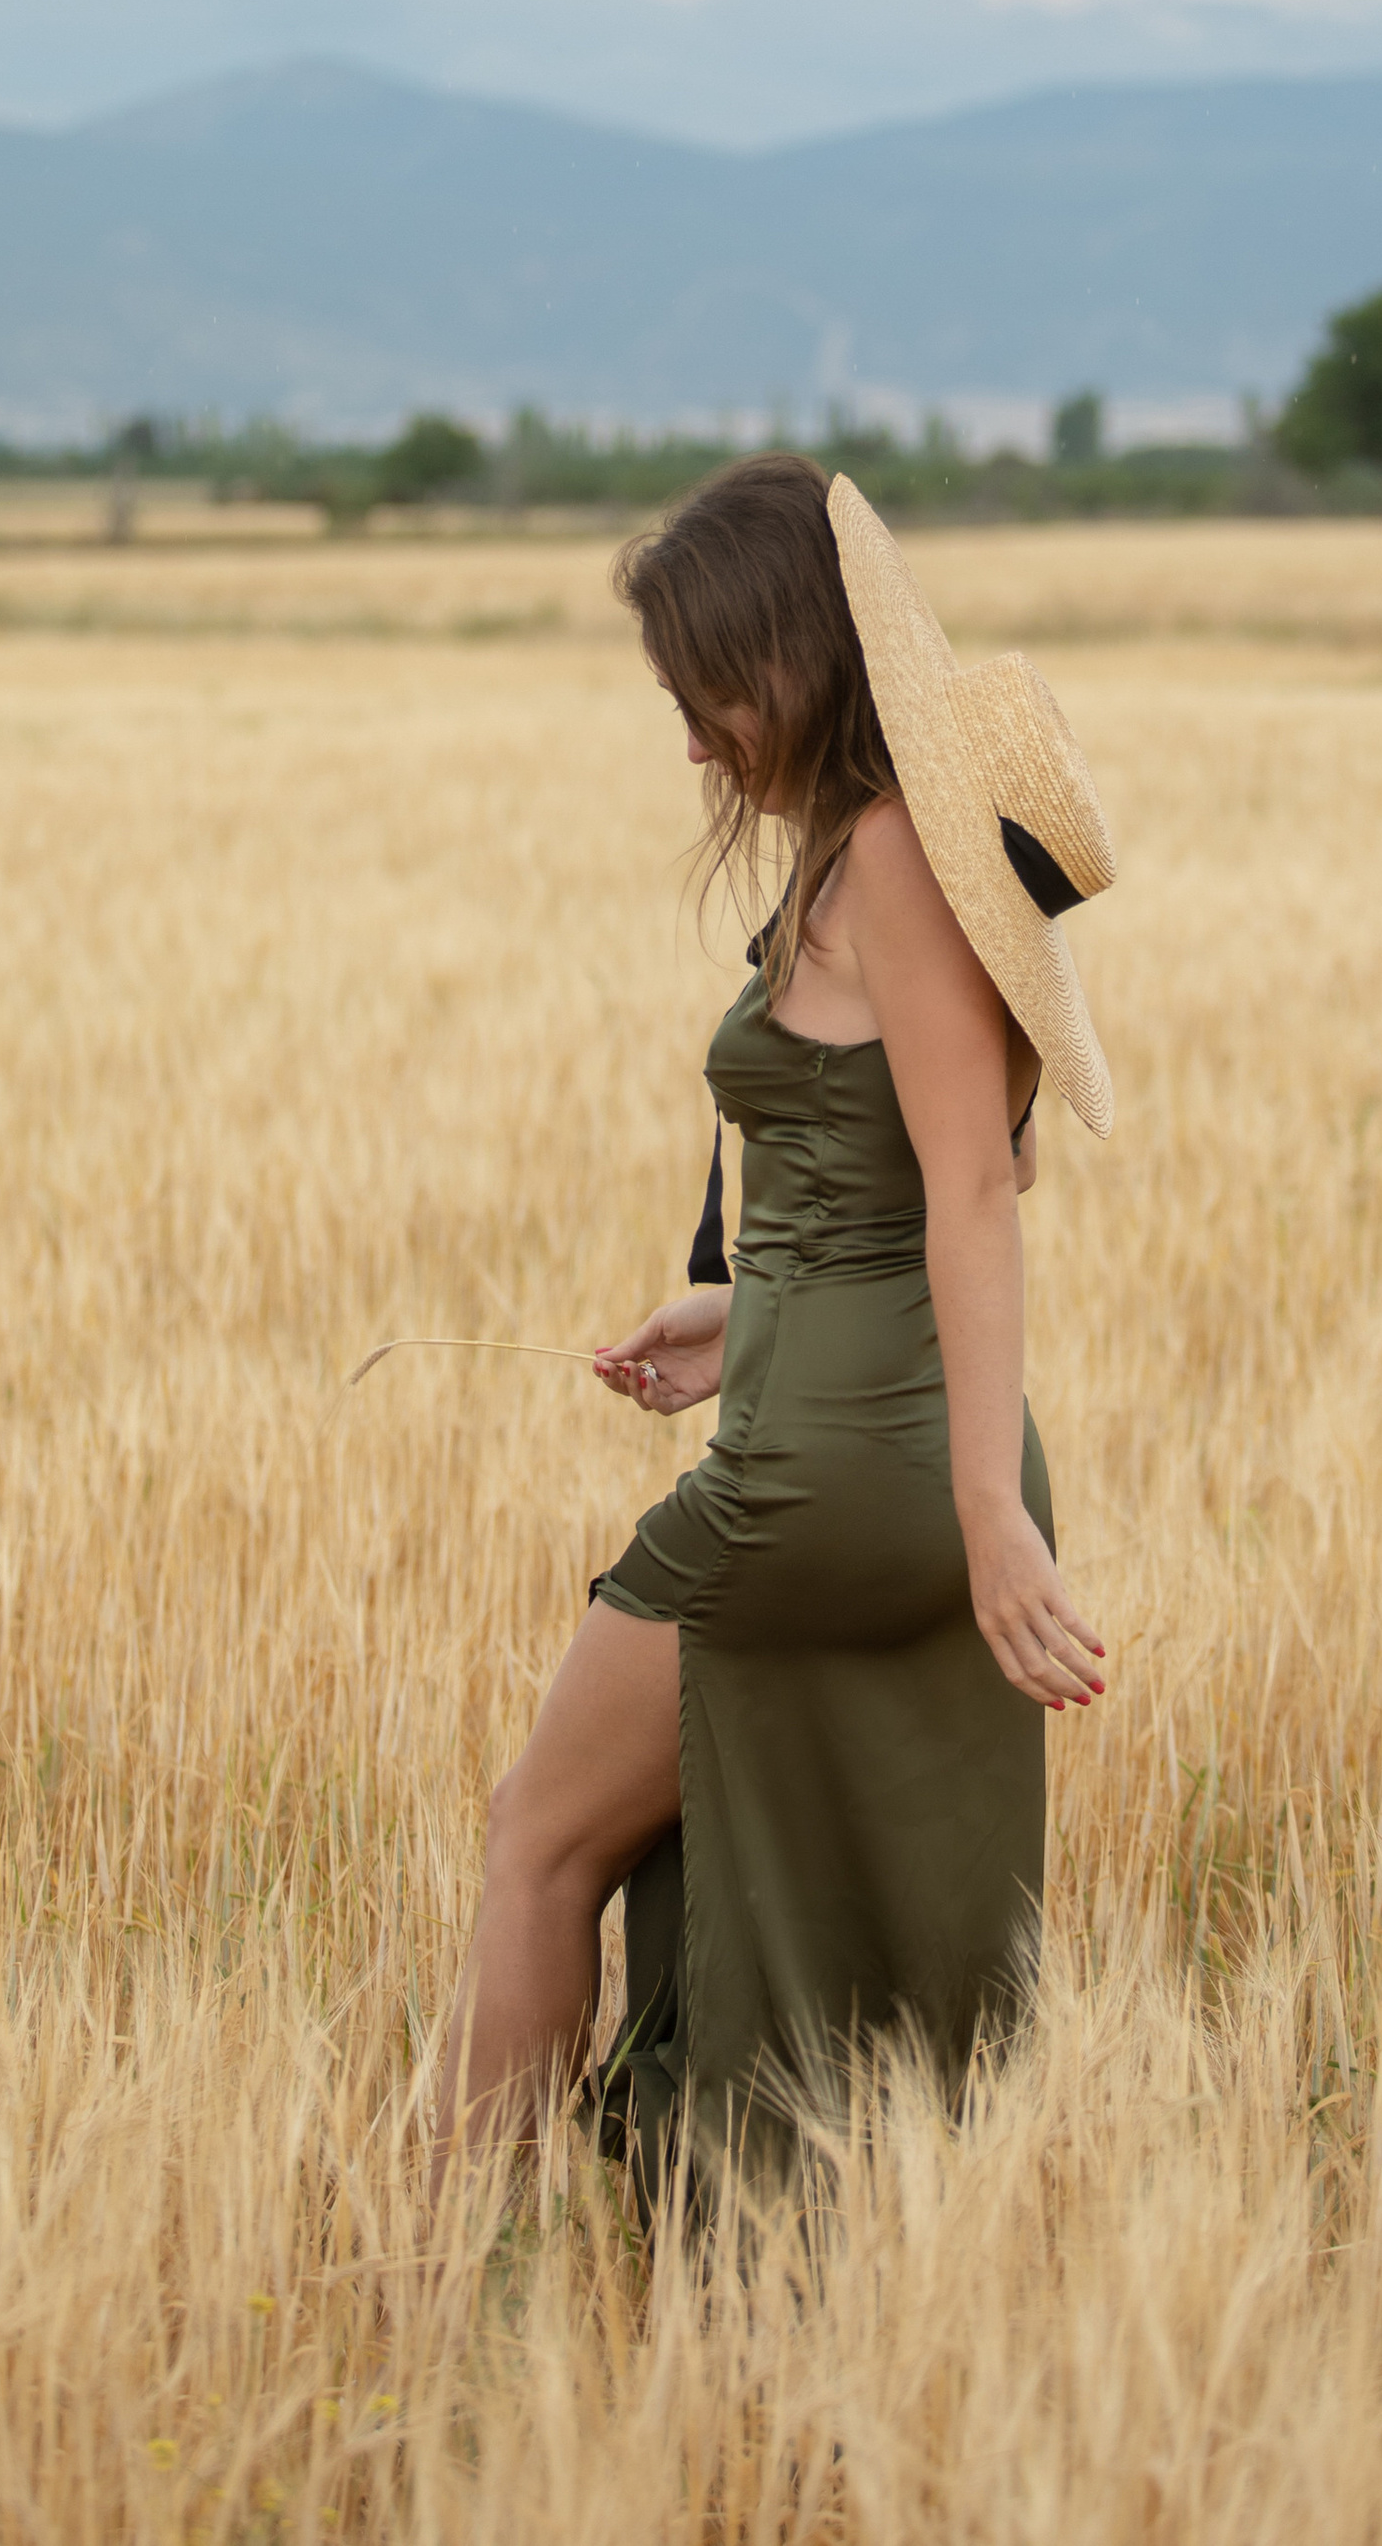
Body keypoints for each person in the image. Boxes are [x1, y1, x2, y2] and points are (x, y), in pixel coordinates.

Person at [431, 455, 1118, 2200]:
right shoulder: (874, 856)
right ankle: (799, 2266)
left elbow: (975, 1188)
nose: (688, 741)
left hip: (842, 1477)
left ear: (795, 655)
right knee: (807, 1871)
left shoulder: (890, 860)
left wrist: (988, 1516)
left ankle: (440, 2268)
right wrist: (740, 1320)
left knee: (537, 1845)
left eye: (704, 693)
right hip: (866, 1433)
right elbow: (889, 1184)